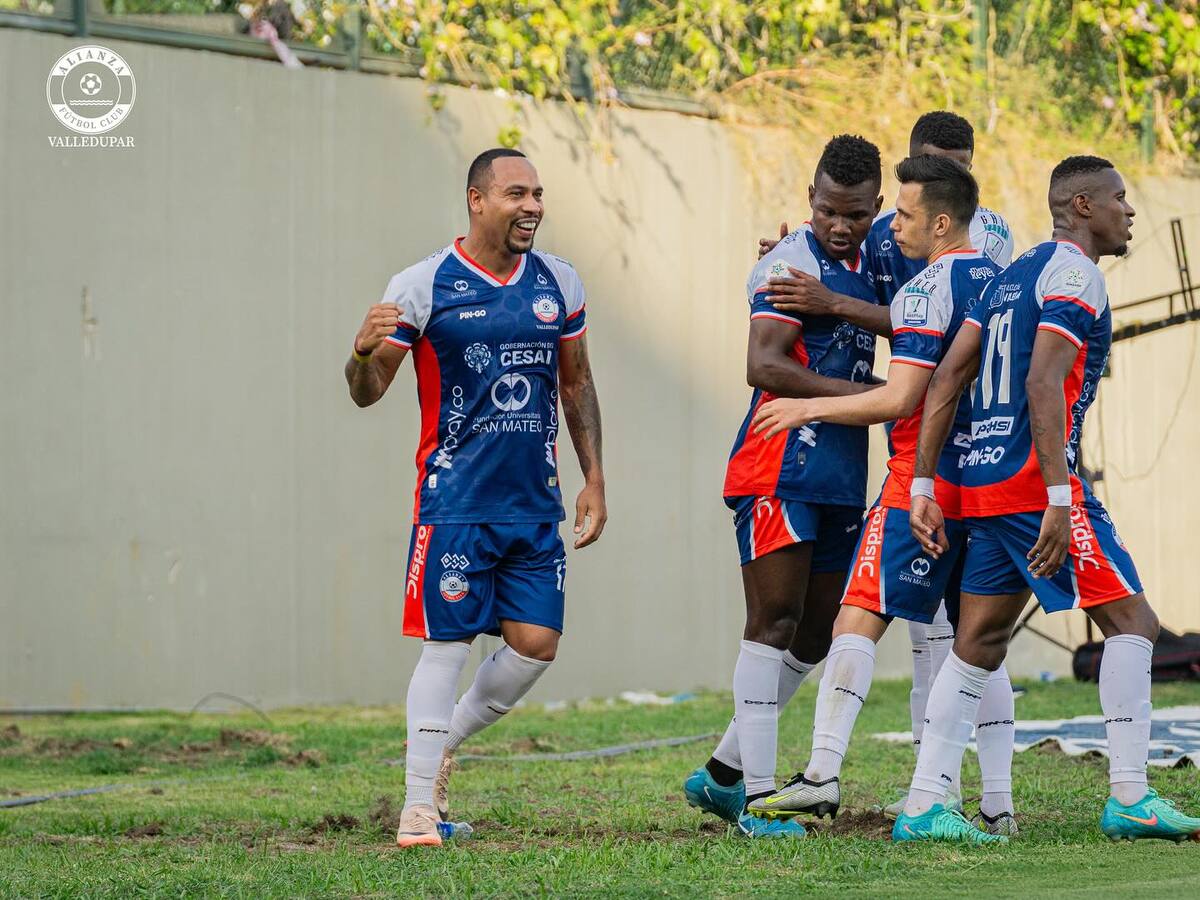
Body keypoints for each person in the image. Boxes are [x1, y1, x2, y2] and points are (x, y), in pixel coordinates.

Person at [894, 155, 1200, 844]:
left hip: (982, 486)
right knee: (1134, 624)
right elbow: (1042, 384)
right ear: (1083, 206)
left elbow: (945, 379)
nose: (1130, 212)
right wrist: (1061, 498)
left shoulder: (1011, 275)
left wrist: (922, 486)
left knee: (976, 643)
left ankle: (921, 808)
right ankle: (1131, 797)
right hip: (1038, 488)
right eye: (1120, 198)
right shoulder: (1075, 274)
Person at [745, 155, 1017, 840]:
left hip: (916, 480)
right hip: (985, 482)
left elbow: (902, 397)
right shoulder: (1002, 279)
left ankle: (820, 775)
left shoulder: (927, 289)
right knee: (971, 643)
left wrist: (806, 411)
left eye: (902, 214)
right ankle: (985, 802)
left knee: (856, 618)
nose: (891, 227)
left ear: (942, 219)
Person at [345, 148, 606, 849]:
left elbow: (575, 385)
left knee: (536, 645)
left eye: (539, 194)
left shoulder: (560, 282)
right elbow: (368, 393)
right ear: (477, 200)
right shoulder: (423, 284)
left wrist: (594, 479)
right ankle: (417, 810)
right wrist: (363, 352)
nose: (533, 206)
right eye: (517, 193)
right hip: (454, 504)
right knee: (447, 647)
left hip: (534, 506)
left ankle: (437, 752)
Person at [683, 134, 883, 839]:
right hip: (777, 469)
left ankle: (723, 773)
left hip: (837, 478)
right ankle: (760, 801)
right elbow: (763, 365)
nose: (839, 225)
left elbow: (925, 320)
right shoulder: (787, 263)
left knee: (820, 631)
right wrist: (867, 399)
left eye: (854, 215)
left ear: (876, 209)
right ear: (810, 200)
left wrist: (846, 312)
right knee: (771, 625)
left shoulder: (876, 259)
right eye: (828, 209)